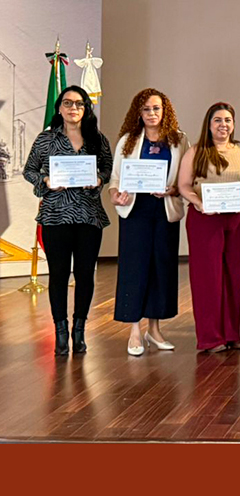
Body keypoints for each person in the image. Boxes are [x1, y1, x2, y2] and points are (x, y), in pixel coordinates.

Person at [23, 85, 112, 356]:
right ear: (59, 108)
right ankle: (60, 332)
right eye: (68, 103)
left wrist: (99, 179)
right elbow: (29, 170)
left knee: (86, 274)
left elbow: (108, 168)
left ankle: (79, 330)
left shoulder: (97, 138)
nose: (73, 108)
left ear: (86, 109)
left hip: (89, 216)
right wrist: (46, 181)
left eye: (79, 104)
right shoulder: (45, 140)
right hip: (55, 216)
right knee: (59, 275)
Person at [177, 102, 240, 353]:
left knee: (234, 277)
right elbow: (184, 185)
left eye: (228, 120)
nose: (223, 125)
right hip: (205, 219)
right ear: (209, 124)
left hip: (236, 219)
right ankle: (210, 338)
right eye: (218, 120)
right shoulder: (196, 151)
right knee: (207, 278)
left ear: (233, 124)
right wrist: (199, 203)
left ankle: (232, 334)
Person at [109, 88, 185, 356]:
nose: (151, 114)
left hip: (164, 210)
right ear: (138, 113)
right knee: (134, 268)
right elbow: (115, 179)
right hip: (136, 210)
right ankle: (134, 331)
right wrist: (115, 195)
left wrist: (173, 189)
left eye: (156, 108)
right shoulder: (128, 141)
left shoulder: (178, 140)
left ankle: (154, 329)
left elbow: (184, 180)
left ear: (165, 111)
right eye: (146, 109)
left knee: (161, 267)